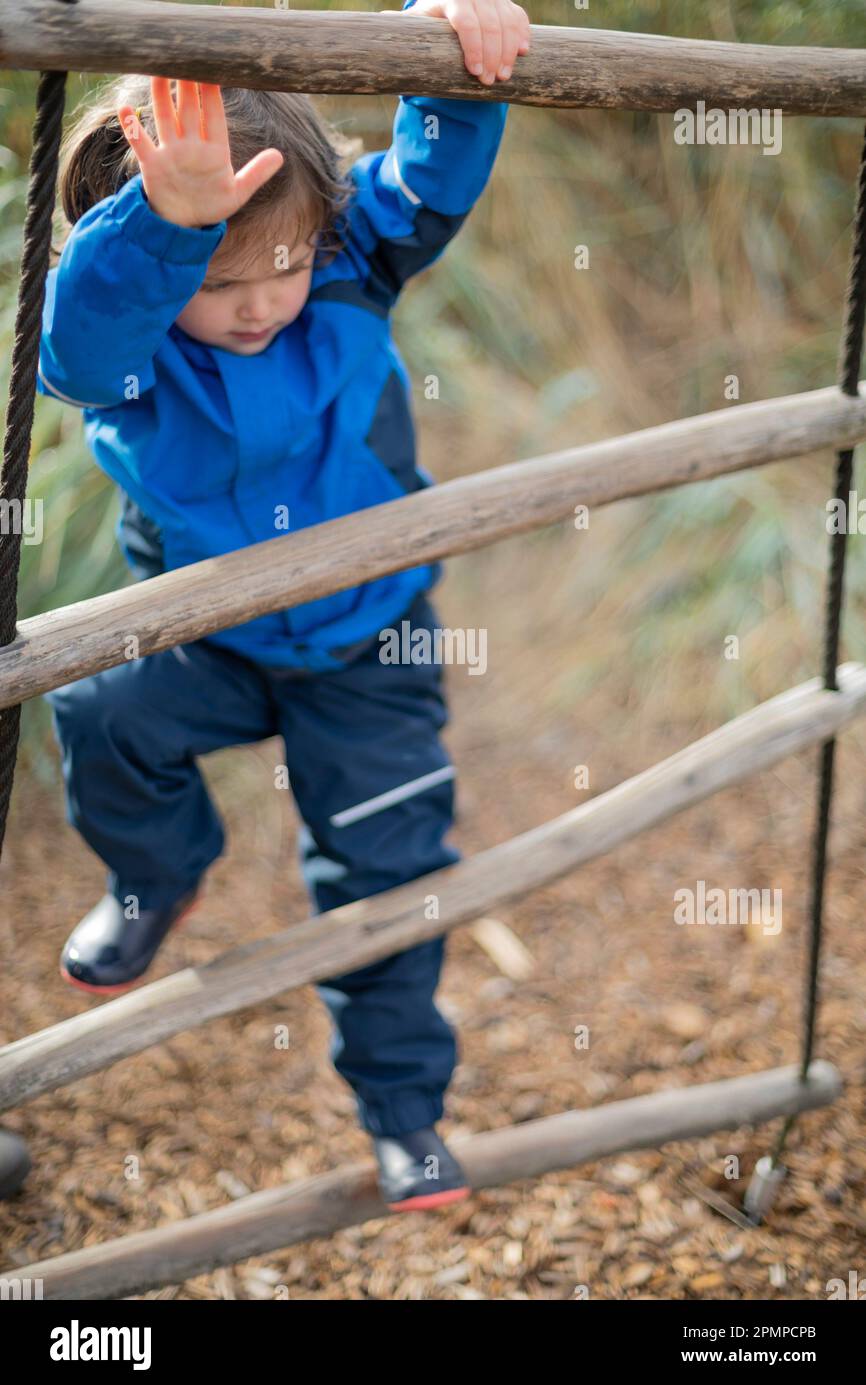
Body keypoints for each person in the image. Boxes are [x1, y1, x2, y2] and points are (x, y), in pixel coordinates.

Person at [36, 0, 530, 1211]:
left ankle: (403, 1111)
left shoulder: (349, 267)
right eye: (217, 276)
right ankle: (159, 872)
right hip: (209, 633)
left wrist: (453, 57)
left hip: (371, 637)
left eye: (287, 263)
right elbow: (74, 352)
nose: (261, 303)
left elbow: (420, 180)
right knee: (101, 712)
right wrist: (163, 228)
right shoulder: (134, 340)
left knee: (387, 869)